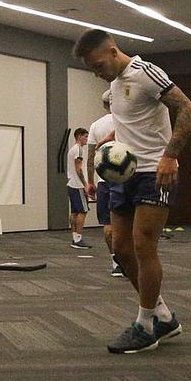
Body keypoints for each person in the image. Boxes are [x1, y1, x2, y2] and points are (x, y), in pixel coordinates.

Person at [73, 29, 191, 354]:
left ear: (113, 51)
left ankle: (145, 325)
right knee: (119, 246)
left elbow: (188, 111)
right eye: (92, 69)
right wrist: (113, 136)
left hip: (154, 173)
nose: (97, 73)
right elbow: (136, 121)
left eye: (99, 65)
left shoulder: (146, 73)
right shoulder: (115, 86)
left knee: (143, 246)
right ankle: (164, 317)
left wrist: (170, 156)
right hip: (123, 175)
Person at [86, 90, 123, 276]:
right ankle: (128, 260)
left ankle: (116, 262)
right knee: (126, 223)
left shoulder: (95, 126)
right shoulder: (126, 121)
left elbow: (91, 156)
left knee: (108, 225)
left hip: (103, 181)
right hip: (125, 178)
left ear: (103, 105)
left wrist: (90, 182)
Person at [67, 128, 93, 249]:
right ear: (79, 137)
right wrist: (85, 184)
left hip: (71, 184)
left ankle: (74, 238)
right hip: (78, 185)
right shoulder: (78, 150)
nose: (87, 139)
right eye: (85, 136)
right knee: (83, 211)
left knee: (74, 212)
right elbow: (79, 169)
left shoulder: (72, 150)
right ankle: (78, 239)